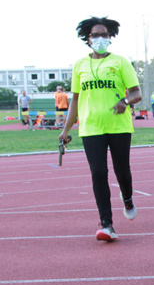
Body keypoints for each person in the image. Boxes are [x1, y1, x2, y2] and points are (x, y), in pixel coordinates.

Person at [58, 16, 141, 241]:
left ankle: (127, 198)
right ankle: (107, 224)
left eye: (104, 34)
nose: (100, 38)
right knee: (98, 174)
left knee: (122, 171)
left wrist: (125, 101)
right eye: (95, 35)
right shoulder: (80, 65)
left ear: (110, 37)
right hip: (90, 127)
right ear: (88, 38)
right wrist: (65, 131)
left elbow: (136, 93)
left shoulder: (121, 62)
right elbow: (75, 100)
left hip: (119, 126)